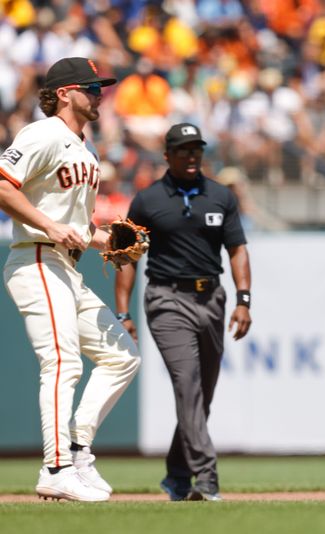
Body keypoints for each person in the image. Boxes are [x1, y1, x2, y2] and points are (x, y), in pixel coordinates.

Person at [0, 57, 142, 502]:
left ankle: (77, 450)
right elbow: (3, 184)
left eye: (101, 88)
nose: (99, 94)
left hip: (67, 263)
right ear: (64, 93)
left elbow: (76, 227)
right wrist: (48, 225)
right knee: (62, 362)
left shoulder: (87, 149)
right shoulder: (42, 134)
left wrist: (107, 242)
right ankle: (56, 467)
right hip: (36, 258)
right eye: (91, 87)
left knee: (123, 356)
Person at [114, 123, 252, 502]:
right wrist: (123, 311)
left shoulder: (221, 196)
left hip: (212, 298)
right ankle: (205, 478)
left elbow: (237, 249)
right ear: (167, 156)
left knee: (201, 395)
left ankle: (176, 474)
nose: (191, 156)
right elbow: (127, 256)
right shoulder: (147, 200)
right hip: (166, 299)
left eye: (196, 149)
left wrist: (243, 300)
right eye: (183, 150)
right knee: (187, 385)